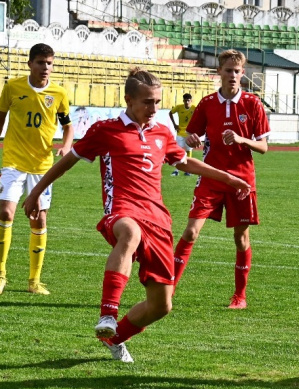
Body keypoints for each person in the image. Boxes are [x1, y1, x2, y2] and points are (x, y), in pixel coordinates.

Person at [22, 67, 251, 363]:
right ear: (129, 100)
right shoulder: (106, 130)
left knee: (161, 306)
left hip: (157, 219)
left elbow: (187, 164)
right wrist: (36, 191)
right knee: (130, 233)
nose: (153, 108)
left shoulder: (162, 133)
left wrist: (229, 178)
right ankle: (108, 314)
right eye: (147, 102)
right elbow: (68, 161)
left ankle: (115, 338)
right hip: (121, 211)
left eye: (157, 101)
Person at [174, 49, 270, 310]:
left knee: (241, 238)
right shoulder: (206, 103)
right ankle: (167, 290)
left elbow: (263, 147)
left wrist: (242, 139)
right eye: (228, 70)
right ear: (219, 72)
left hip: (241, 179)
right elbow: (191, 136)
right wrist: (192, 139)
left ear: (243, 73)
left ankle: (239, 296)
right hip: (211, 176)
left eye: (237, 71)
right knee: (191, 232)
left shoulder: (252, 103)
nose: (233, 75)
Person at [0, 43, 74, 295]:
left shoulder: (59, 93)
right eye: (41, 62)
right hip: (13, 161)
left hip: (42, 166)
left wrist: (66, 145)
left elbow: (68, 125)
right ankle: (1, 274)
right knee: (5, 213)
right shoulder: (12, 88)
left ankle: (34, 282)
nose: (46, 67)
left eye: (50, 63)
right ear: (30, 63)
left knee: (39, 218)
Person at [169, 93, 196, 176]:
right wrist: (174, 125)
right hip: (180, 132)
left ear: (191, 101)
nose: (187, 102)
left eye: (188, 100)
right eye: (185, 100)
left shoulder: (194, 108)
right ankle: (176, 170)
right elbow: (170, 113)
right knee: (178, 151)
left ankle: (188, 170)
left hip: (189, 133)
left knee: (189, 151)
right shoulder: (179, 107)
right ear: (183, 100)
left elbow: (200, 116)